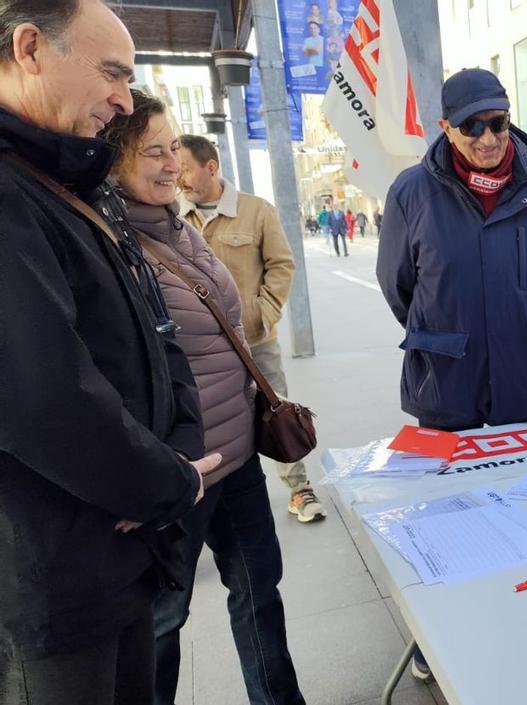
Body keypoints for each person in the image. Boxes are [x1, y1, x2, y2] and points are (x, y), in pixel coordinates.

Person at [0, 2, 221, 702]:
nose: (123, 101)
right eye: (112, 74)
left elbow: (160, 338)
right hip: (57, 584)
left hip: (121, 555)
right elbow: (43, 395)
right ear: (30, 48)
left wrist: (177, 456)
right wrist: (166, 483)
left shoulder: (68, 182)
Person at [100, 89, 306, 705]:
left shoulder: (182, 231)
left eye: (173, 150)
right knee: (163, 623)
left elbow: (257, 293)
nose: (171, 165)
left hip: (236, 458)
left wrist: (262, 323)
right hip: (179, 475)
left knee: (259, 593)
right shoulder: (110, 245)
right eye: (152, 152)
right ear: (113, 161)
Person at [377, 69, 527, 681]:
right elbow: (398, 286)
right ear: (446, 128)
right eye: (473, 126)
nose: (489, 137)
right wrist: (447, 331)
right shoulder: (412, 192)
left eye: (498, 121)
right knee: (447, 521)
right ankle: (443, 639)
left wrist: (523, 330)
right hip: (447, 382)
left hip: (526, 377)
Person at [177, 134, 326, 522]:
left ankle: (299, 489)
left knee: (277, 414)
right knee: (208, 422)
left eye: (186, 169)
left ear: (211, 167)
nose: (180, 179)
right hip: (203, 351)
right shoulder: (176, 219)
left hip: (256, 342)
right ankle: (212, 503)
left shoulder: (256, 211)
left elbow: (282, 265)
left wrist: (263, 313)